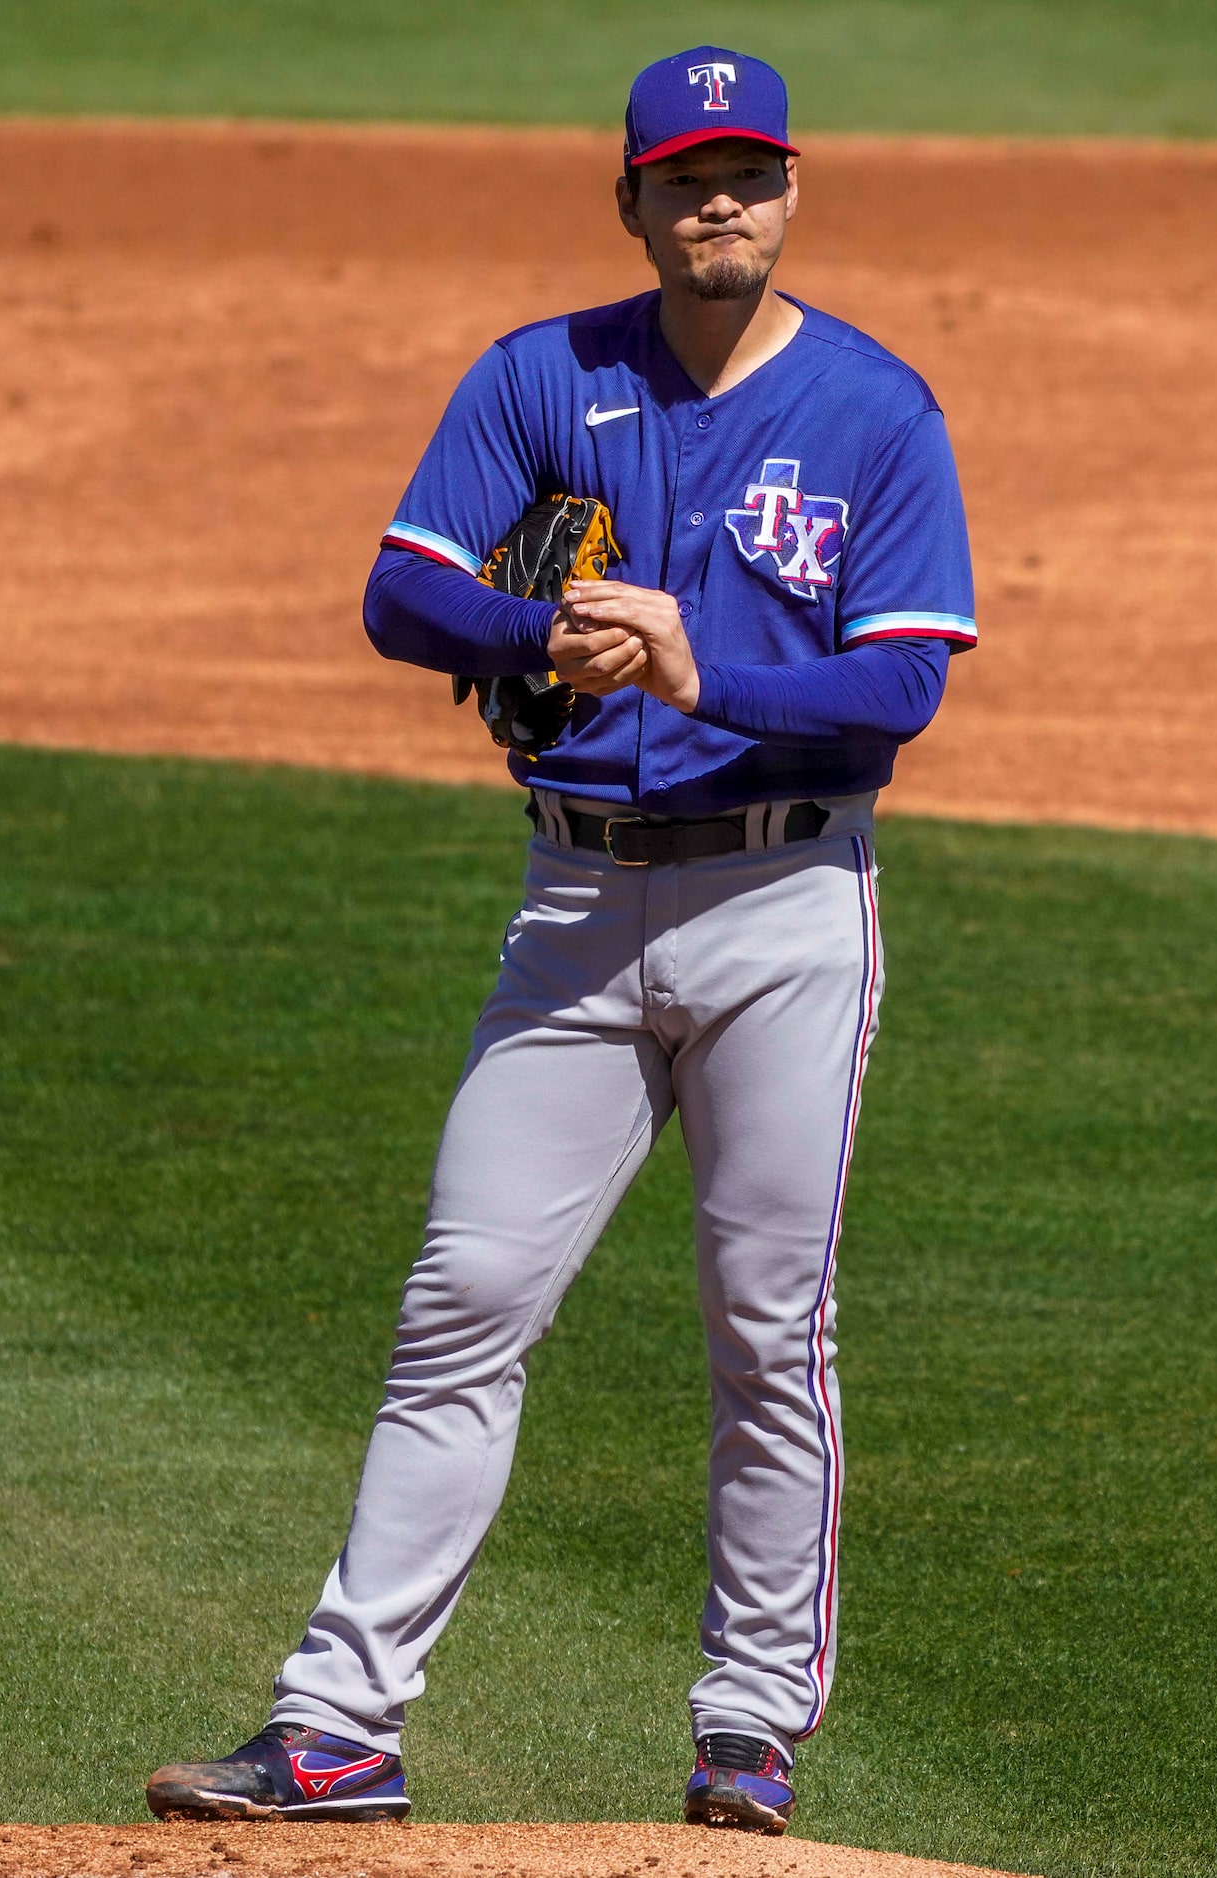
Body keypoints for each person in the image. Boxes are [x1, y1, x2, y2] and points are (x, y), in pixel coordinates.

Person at [142, 46, 977, 1837]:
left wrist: (699, 669)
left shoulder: (876, 413)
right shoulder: (545, 375)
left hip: (783, 906)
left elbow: (896, 687)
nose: (718, 204)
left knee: (768, 1327)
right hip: (575, 908)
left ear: (792, 189)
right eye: (683, 178)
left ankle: (748, 1723)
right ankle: (334, 1729)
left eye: (746, 173)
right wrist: (533, 641)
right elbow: (401, 588)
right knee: (461, 1303)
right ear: (632, 199)